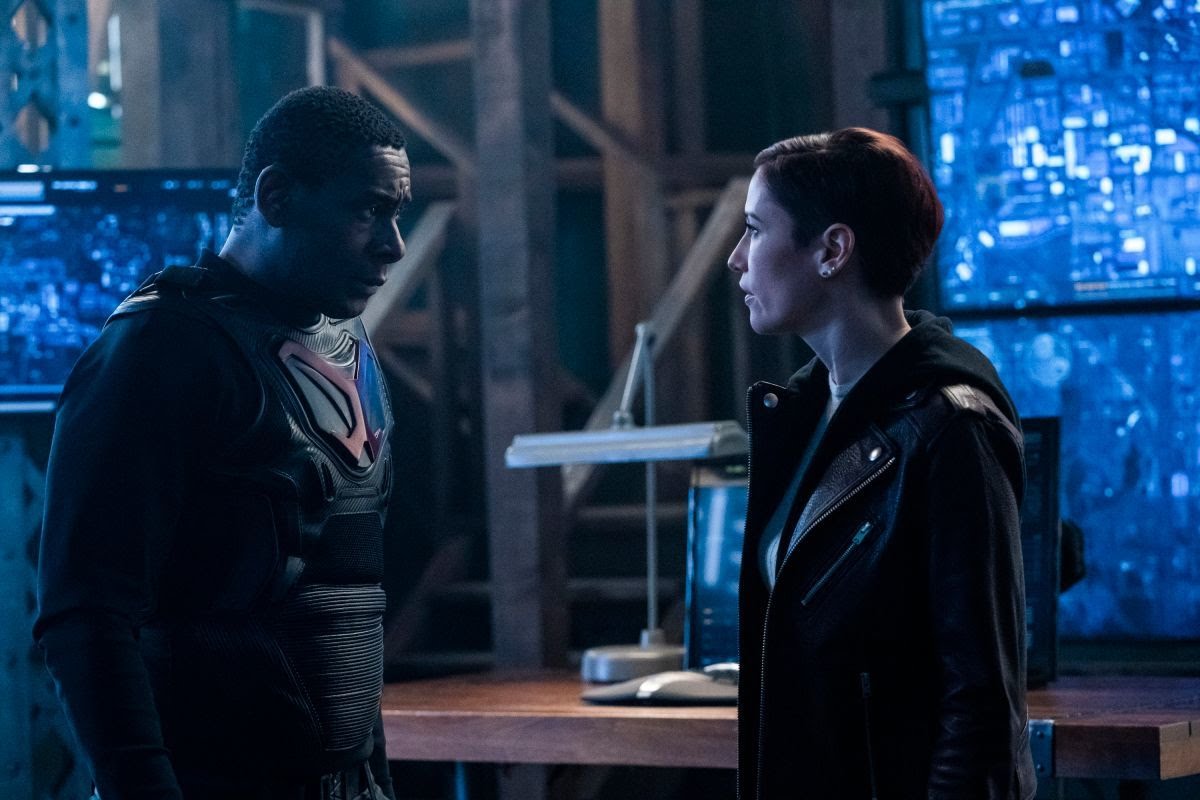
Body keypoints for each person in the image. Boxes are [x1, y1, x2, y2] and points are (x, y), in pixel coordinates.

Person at [35, 86, 411, 800]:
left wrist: (375, 778)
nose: (393, 245)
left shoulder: (347, 346)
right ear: (277, 198)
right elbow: (87, 615)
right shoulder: (160, 348)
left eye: (397, 214)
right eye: (368, 211)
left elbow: (346, 602)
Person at [727, 128, 1036, 800]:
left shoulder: (953, 427)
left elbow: (982, 706)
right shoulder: (804, 414)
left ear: (833, 251)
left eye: (754, 229)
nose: (736, 258)